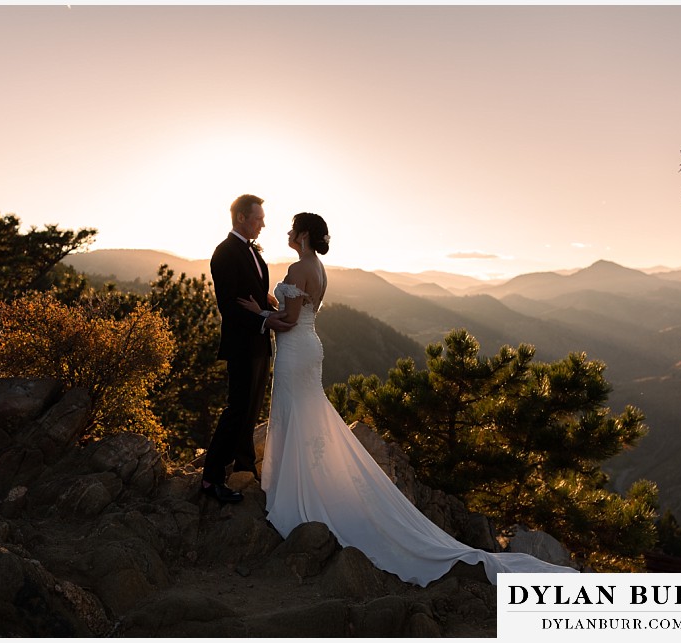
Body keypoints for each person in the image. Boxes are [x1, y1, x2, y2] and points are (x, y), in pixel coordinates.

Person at [238, 212, 578, 587]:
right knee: (307, 414)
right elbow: (299, 312)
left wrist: (260, 315)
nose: (286, 232)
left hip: (295, 349)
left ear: (302, 234)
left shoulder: (298, 266)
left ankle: (296, 490)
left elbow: (286, 321)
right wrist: (273, 304)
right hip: (308, 346)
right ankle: (309, 481)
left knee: (297, 412)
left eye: (291, 228)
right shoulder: (318, 267)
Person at [201, 194, 295, 504]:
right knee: (236, 410)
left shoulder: (251, 251)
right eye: (258, 218)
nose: (263, 223)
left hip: (258, 343)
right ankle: (210, 477)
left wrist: (264, 300)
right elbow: (229, 307)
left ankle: (243, 466)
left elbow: (250, 292)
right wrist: (263, 321)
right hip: (242, 342)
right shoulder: (225, 253)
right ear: (241, 218)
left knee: (251, 409)